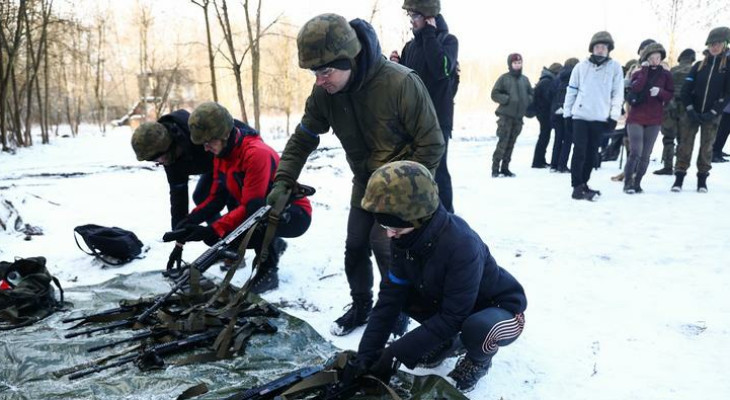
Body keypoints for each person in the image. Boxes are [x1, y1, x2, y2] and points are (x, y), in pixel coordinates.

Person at [266, 14, 444, 336]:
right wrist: (283, 179)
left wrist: (408, 196)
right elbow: (304, 137)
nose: (319, 80)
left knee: (386, 247)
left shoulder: (400, 83)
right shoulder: (325, 93)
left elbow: (431, 143)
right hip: (364, 183)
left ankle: (399, 308)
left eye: (325, 71)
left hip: (400, 187)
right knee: (355, 245)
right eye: (314, 72)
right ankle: (362, 304)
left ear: (349, 59)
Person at [342, 160, 526, 394]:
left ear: (416, 217)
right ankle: (445, 343)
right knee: (402, 297)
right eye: (386, 227)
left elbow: (453, 316)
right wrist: (367, 355)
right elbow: (389, 298)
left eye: (395, 229)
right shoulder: (405, 239)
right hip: (452, 304)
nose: (389, 235)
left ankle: (478, 361)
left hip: (500, 311)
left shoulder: (461, 245)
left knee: (477, 328)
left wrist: (394, 353)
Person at [168, 102, 312, 293]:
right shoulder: (222, 155)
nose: (206, 148)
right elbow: (216, 198)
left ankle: (268, 271)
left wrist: (213, 229)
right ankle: (273, 245)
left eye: (209, 142)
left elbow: (253, 209)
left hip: (294, 214)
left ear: (225, 134)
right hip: (258, 210)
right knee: (219, 239)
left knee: (254, 222)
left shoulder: (256, 153)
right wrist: (188, 223)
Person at [131, 109, 224, 272]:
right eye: (155, 161)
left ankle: (268, 258)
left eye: (161, 158)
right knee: (202, 196)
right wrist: (179, 239)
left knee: (240, 204)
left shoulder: (199, 137)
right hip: (211, 167)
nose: (161, 163)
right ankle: (226, 245)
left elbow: (220, 191)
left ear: (172, 145)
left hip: (231, 160)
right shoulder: (171, 160)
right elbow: (178, 198)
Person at [390, 0, 458, 213]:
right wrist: (395, 66)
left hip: (438, 120)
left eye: (415, 16)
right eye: (410, 16)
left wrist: (429, 34)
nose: (411, 21)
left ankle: (447, 217)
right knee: (413, 169)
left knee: (438, 170)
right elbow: (405, 85)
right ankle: (418, 213)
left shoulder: (448, 41)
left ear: (429, 17)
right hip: (412, 120)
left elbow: (441, 69)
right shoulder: (410, 47)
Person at [563, 31, 624, 200]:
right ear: (592, 48)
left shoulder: (615, 68)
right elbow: (571, 91)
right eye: (597, 47)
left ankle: (584, 183)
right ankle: (576, 186)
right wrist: (567, 114)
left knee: (592, 153)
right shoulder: (581, 67)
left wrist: (613, 116)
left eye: (604, 47)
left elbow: (617, 94)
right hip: (580, 116)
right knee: (579, 151)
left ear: (608, 49)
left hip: (600, 117)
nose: (600, 50)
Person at [673, 26, 730, 192]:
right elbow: (685, 89)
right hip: (692, 113)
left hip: (712, 115)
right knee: (685, 145)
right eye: (712, 43)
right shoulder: (698, 65)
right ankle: (679, 178)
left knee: (707, 147)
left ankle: (702, 180)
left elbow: (728, 93)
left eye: (718, 43)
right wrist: (690, 109)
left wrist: (714, 111)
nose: (714, 46)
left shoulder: (727, 67)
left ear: (725, 45)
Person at [622, 43, 674, 193]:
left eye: (658, 58)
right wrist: (644, 70)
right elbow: (636, 88)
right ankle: (627, 182)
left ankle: (637, 183)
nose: (655, 61)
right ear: (645, 59)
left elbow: (670, 94)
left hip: (654, 118)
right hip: (636, 117)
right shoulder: (638, 73)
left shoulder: (666, 75)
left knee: (646, 155)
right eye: (651, 58)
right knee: (635, 151)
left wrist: (660, 92)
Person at [490, 53, 533, 177]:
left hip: (518, 118)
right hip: (505, 117)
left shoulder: (525, 80)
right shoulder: (504, 78)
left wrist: (528, 99)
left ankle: (505, 168)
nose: (518, 65)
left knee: (511, 143)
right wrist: (506, 99)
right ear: (510, 64)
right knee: (503, 142)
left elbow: (531, 93)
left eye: (519, 63)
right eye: (515, 63)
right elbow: (494, 94)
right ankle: (495, 168)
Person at [655, 48, 696, 175]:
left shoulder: (673, 70)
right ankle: (679, 166)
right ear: (692, 59)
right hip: (687, 107)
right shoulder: (694, 71)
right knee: (682, 139)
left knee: (668, 137)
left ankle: (667, 166)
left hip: (670, 105)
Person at [549, 58, 579, 173]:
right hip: (568, 111)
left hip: (556, 110)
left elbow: (550, 93)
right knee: (568, 139)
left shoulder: (557, 77)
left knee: (558, 138)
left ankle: (554, 164)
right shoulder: (575, 76)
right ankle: (562, 165)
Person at [532, 62, 562, 168]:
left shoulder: (545, 79)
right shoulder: (547, 81)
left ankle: (540, 160)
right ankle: (538, 161)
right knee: (544, 137)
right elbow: (548, 98)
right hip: (544, 113)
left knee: (544, 136)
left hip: (542, 112)